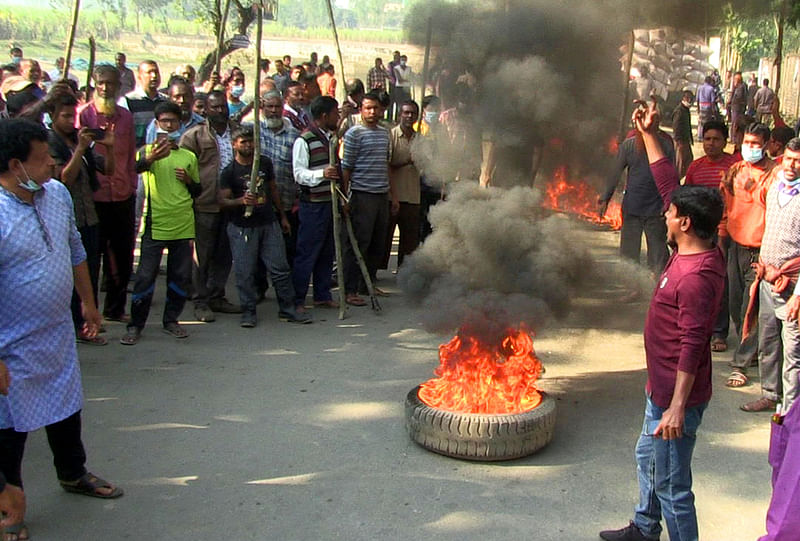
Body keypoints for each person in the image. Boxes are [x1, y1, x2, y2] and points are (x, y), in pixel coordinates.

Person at [599, 101, 725, 541]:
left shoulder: (695, 276)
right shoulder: (694, 246)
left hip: (677, 395)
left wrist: (675, 406)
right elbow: (668, 180)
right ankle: (644, 527)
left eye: (671, 214)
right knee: (646, 458)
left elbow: (693, 343)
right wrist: (650, 134)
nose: (665, 214)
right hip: (662, 386)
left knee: (673, 485)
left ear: (684, 223)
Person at [0, 120, 124, 541]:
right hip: (9, 343)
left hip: (55, 330)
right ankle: (8, 504)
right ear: (16, 165)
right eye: (43, 157)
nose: (54, 162)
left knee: (66, 404)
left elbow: (74, 249)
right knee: (9, 426)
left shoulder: (55, 194)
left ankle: (73, 473)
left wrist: (88, 303)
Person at [120, 102, 200, 345]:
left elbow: (197, 190)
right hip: (155, 226)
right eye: (164, 121)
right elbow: (134, 169)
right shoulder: (146, 153)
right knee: (145, 276)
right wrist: (152, 157)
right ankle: (136, 325)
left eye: (173, 121)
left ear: (180, 125)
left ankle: (171, 320)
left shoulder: (188, 156)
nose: (169, 125)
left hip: (183, 224)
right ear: (156, 124)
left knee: (179, 276)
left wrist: (188, 180)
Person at [218, 125, 310, 327]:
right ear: (234, 145)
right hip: (242, 226)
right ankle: (248, 311)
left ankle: (287, 309)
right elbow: (223, 201)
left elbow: (273, 190)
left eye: (251, 141)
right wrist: (241, 201)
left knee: (280, 268)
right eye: (243, 142)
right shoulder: (229, 172)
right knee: (245, 271)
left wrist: (283, 217)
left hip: (269, 222)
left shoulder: (264, 163)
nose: (248, 145)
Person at [48, 91, 116, 346]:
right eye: (65, 116)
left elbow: (108, 169)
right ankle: (77, 326)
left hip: (89, 216)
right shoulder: (52, 143)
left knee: (90, 271)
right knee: (71, 275)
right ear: (53, 117)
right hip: (67, 218)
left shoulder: (78, 139)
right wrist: (79, 149)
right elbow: (64, 177)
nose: (70, 122)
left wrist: (108, 147)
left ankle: (90, 319)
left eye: (72, 116)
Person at [717, 123, 778, 400]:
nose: (750, 147)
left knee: (749, 309)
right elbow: (725, 207)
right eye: (746, 142)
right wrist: (721, 238)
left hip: (760, 252)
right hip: (735, 247)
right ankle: (749, 350)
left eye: (755, 143)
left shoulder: (775, 176)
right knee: (734, 303)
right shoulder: (735, 171)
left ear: (766, 144)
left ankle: (740, 364)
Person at [741, 137, 800, 416]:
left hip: (793, 286)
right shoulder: (777, 187)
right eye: (788, 159)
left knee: (793, 352)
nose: (792, 165)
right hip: (767, 280)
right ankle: (769, 394)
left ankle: (790, 409)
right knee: (767, 341)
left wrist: (798, 293)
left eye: (798, 161)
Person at [78, 65, 137, 323]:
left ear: (118, 85)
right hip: (94, 197)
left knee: (122, 257)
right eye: (101, 83)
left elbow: (132, 153)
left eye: (110, 83)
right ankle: (88, 313)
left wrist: (132, 184)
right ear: (94, 83)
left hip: (123, 194)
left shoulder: (125, 116)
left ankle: (115, 309)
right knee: (91, 258)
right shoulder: (84, 116)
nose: (105, 88)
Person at [180, 90, 240, 322]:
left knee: (224, 254)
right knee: (202, 255)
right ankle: (200, 300)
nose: (220, 110)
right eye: (214, 107)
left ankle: (217, 295)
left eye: (222, 106)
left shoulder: (237, 131)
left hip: (232, 203)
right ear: (205, 109)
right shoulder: (194, 135)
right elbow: (184, 169)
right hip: (205, 202)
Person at [600, 105, 677, 277]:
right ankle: (632, 288)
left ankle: (657, 287)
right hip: (632, 208)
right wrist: (605, 198)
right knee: (629, 254)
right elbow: (615, 172)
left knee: (657, 254)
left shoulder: (665, 144)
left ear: (658, 121)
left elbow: (671, 175)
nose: (650, 122)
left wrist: (671, 206)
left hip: (656, 210)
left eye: (654, 119)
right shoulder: (629, 145)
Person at [340, 91, 395, 306]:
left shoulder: (384, 133)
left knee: (377, 243)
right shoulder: (354, 134)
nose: (372, 112)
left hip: (381, 194)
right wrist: (345, 198)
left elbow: (386, 165)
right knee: (358, 243)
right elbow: (346, 169)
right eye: (368, 108)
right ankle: (350, 289)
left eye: (376, 108)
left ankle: (368, 283)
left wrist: (393, 195)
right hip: (362, 196)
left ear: (382, 110)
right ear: (361, 110)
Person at [292, 95, 340, 312]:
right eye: (335, 113)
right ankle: (298, 298)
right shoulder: (304, 140)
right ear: (324, 115)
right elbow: (299, 174)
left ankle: (322, 295)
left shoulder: (329, 138)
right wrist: (322, 173)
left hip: (329, 203)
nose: (337, 117)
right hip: (313, 205)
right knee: (307, 252)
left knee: (327, 252)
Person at [259, 91, 301, 267]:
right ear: (263, 108)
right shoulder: (253, 131)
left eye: (278, 107)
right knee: (258, 252)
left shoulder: (294, 135)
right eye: (270, 107)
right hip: (260, 203)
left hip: (286, 202)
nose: (274, 111)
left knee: (287, 249)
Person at [383, 99, 421, 270]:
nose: (409, 116)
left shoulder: (420, 139)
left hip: (413, 196)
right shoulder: (390, 136)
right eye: (406, 112)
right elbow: (387, 165)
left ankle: (404, 273)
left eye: (412, 113)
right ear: (399, 115)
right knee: (385, 238)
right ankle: (377, 272)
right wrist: (407, 160)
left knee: (410, 241)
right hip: (393, 196)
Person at [144, 77, 204, 145]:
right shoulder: (159, 124)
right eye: (177, 97)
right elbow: (151, 150)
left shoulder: (201, 123)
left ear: (192, 98)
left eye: (186, 96)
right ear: (169, 99)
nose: (182, 100)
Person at [121, 60, 166, 148]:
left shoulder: (165, 101)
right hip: (138, 152)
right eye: (149, 72)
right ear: (139, 77)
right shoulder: (128, 101)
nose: (154, 76)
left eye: (156, 72)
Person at [672, 90, 694, 179]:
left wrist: (690, 139)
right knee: (680, 163)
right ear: (683, 98)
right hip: (680, 141)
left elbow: (688, 126)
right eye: (687, 98)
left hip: (685, 140)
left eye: (690, 99)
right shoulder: (679, 111)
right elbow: (676, 127)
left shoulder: (686, 110)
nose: (689, 100)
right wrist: (679, 141)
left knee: (688, 161)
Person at [696, 76, 718, 140]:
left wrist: (698, 108)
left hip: (701, 106)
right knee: (707, 122)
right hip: (708, 107)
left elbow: (697, 99)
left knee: (700, 122)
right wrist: (713, 110)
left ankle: (699, 136)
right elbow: (712, 101)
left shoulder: (699, 88)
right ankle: (704, 136)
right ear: (710, 81)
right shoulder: (711, 89)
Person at [730, 72, 747, 149]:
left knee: (736, 123)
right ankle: (733, 138)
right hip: (735, 107)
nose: (734, 81)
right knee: (734, 123)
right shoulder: (737, 87)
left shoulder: (741, 87)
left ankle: (735, 138)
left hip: (738, 108)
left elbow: (739, 97)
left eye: (736, 79)